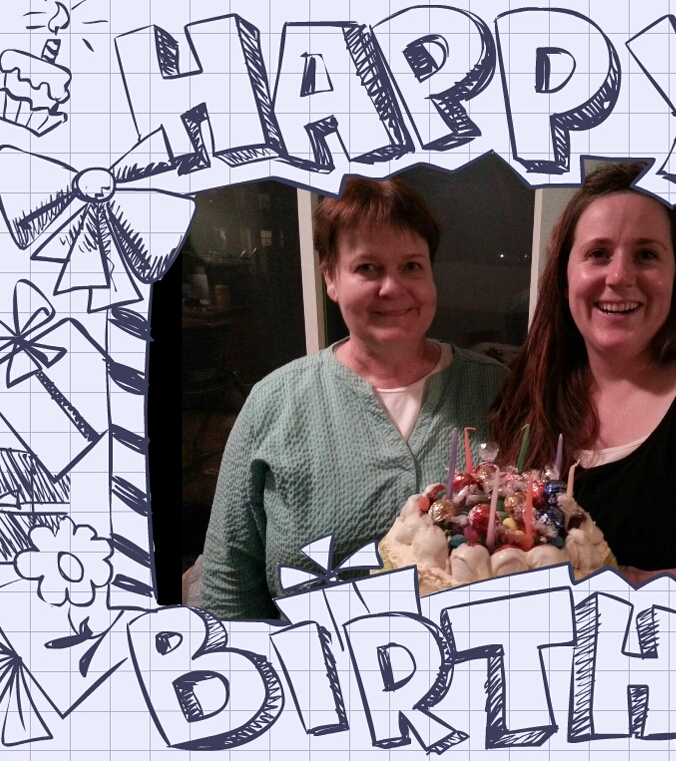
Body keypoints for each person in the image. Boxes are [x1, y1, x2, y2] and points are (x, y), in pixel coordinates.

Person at [489, 162, 676, 619]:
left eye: (646, 255)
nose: (620, 276)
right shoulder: (527, 396)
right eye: (598, 253)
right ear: (565, 276)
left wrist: (615, 582)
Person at [202, 178, 507, 619]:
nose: (393, 287)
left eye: (412, 266)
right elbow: (228, 583)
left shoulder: (498, 391)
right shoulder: (273, 403)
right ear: (330, 278)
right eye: (368, 268)